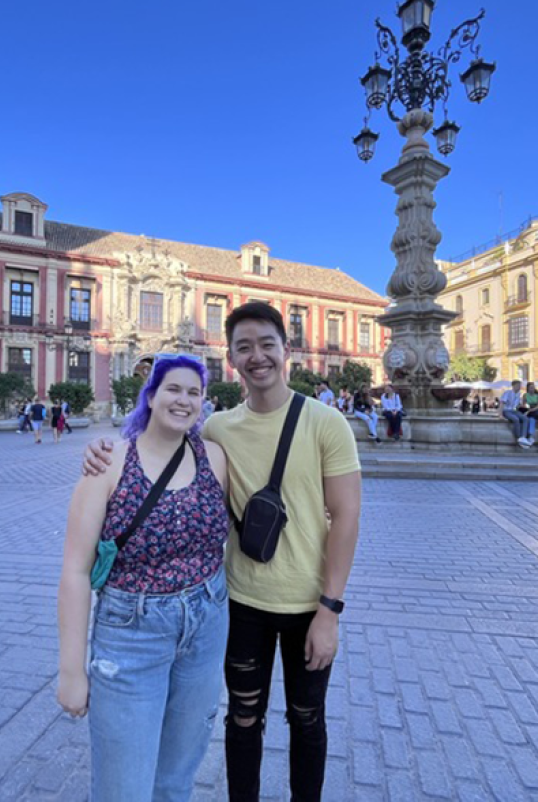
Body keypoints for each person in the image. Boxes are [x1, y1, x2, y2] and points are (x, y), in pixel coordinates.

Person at [83, 302, 362, 802]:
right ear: (230, 359)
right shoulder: (216, 430)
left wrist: (330, 611)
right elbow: (157, 446)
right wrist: (103, 451)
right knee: (243, 717)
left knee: (307, 718)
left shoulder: (327, 423)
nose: (257, 357)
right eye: (244, 348)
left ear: (287, 350)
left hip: (307, 606)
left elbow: (346, 518)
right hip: (240, 605)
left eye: (266, 344)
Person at [57, 355, 230, 802]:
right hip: (132, 633)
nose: (184, 399)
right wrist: (71, 672)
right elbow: (76, 572)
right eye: (174, 389)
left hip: (207, 622)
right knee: (124, 788)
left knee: (175, 780)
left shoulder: (214, 457)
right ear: (151, 396)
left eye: (195, 392)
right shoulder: (111, 463)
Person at [500, 380, 530, 447]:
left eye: (520, 385)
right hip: (506, 411)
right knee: (516, 419)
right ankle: (518, 438)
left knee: (525, 419)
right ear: (513, 386)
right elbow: (502, 403)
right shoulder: (507, 393)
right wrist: (500, 415)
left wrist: (525, 407)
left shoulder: (519, 394)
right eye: (518, 385)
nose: (519, 387)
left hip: (514, 411)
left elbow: (518, 405)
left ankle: (523, 437)